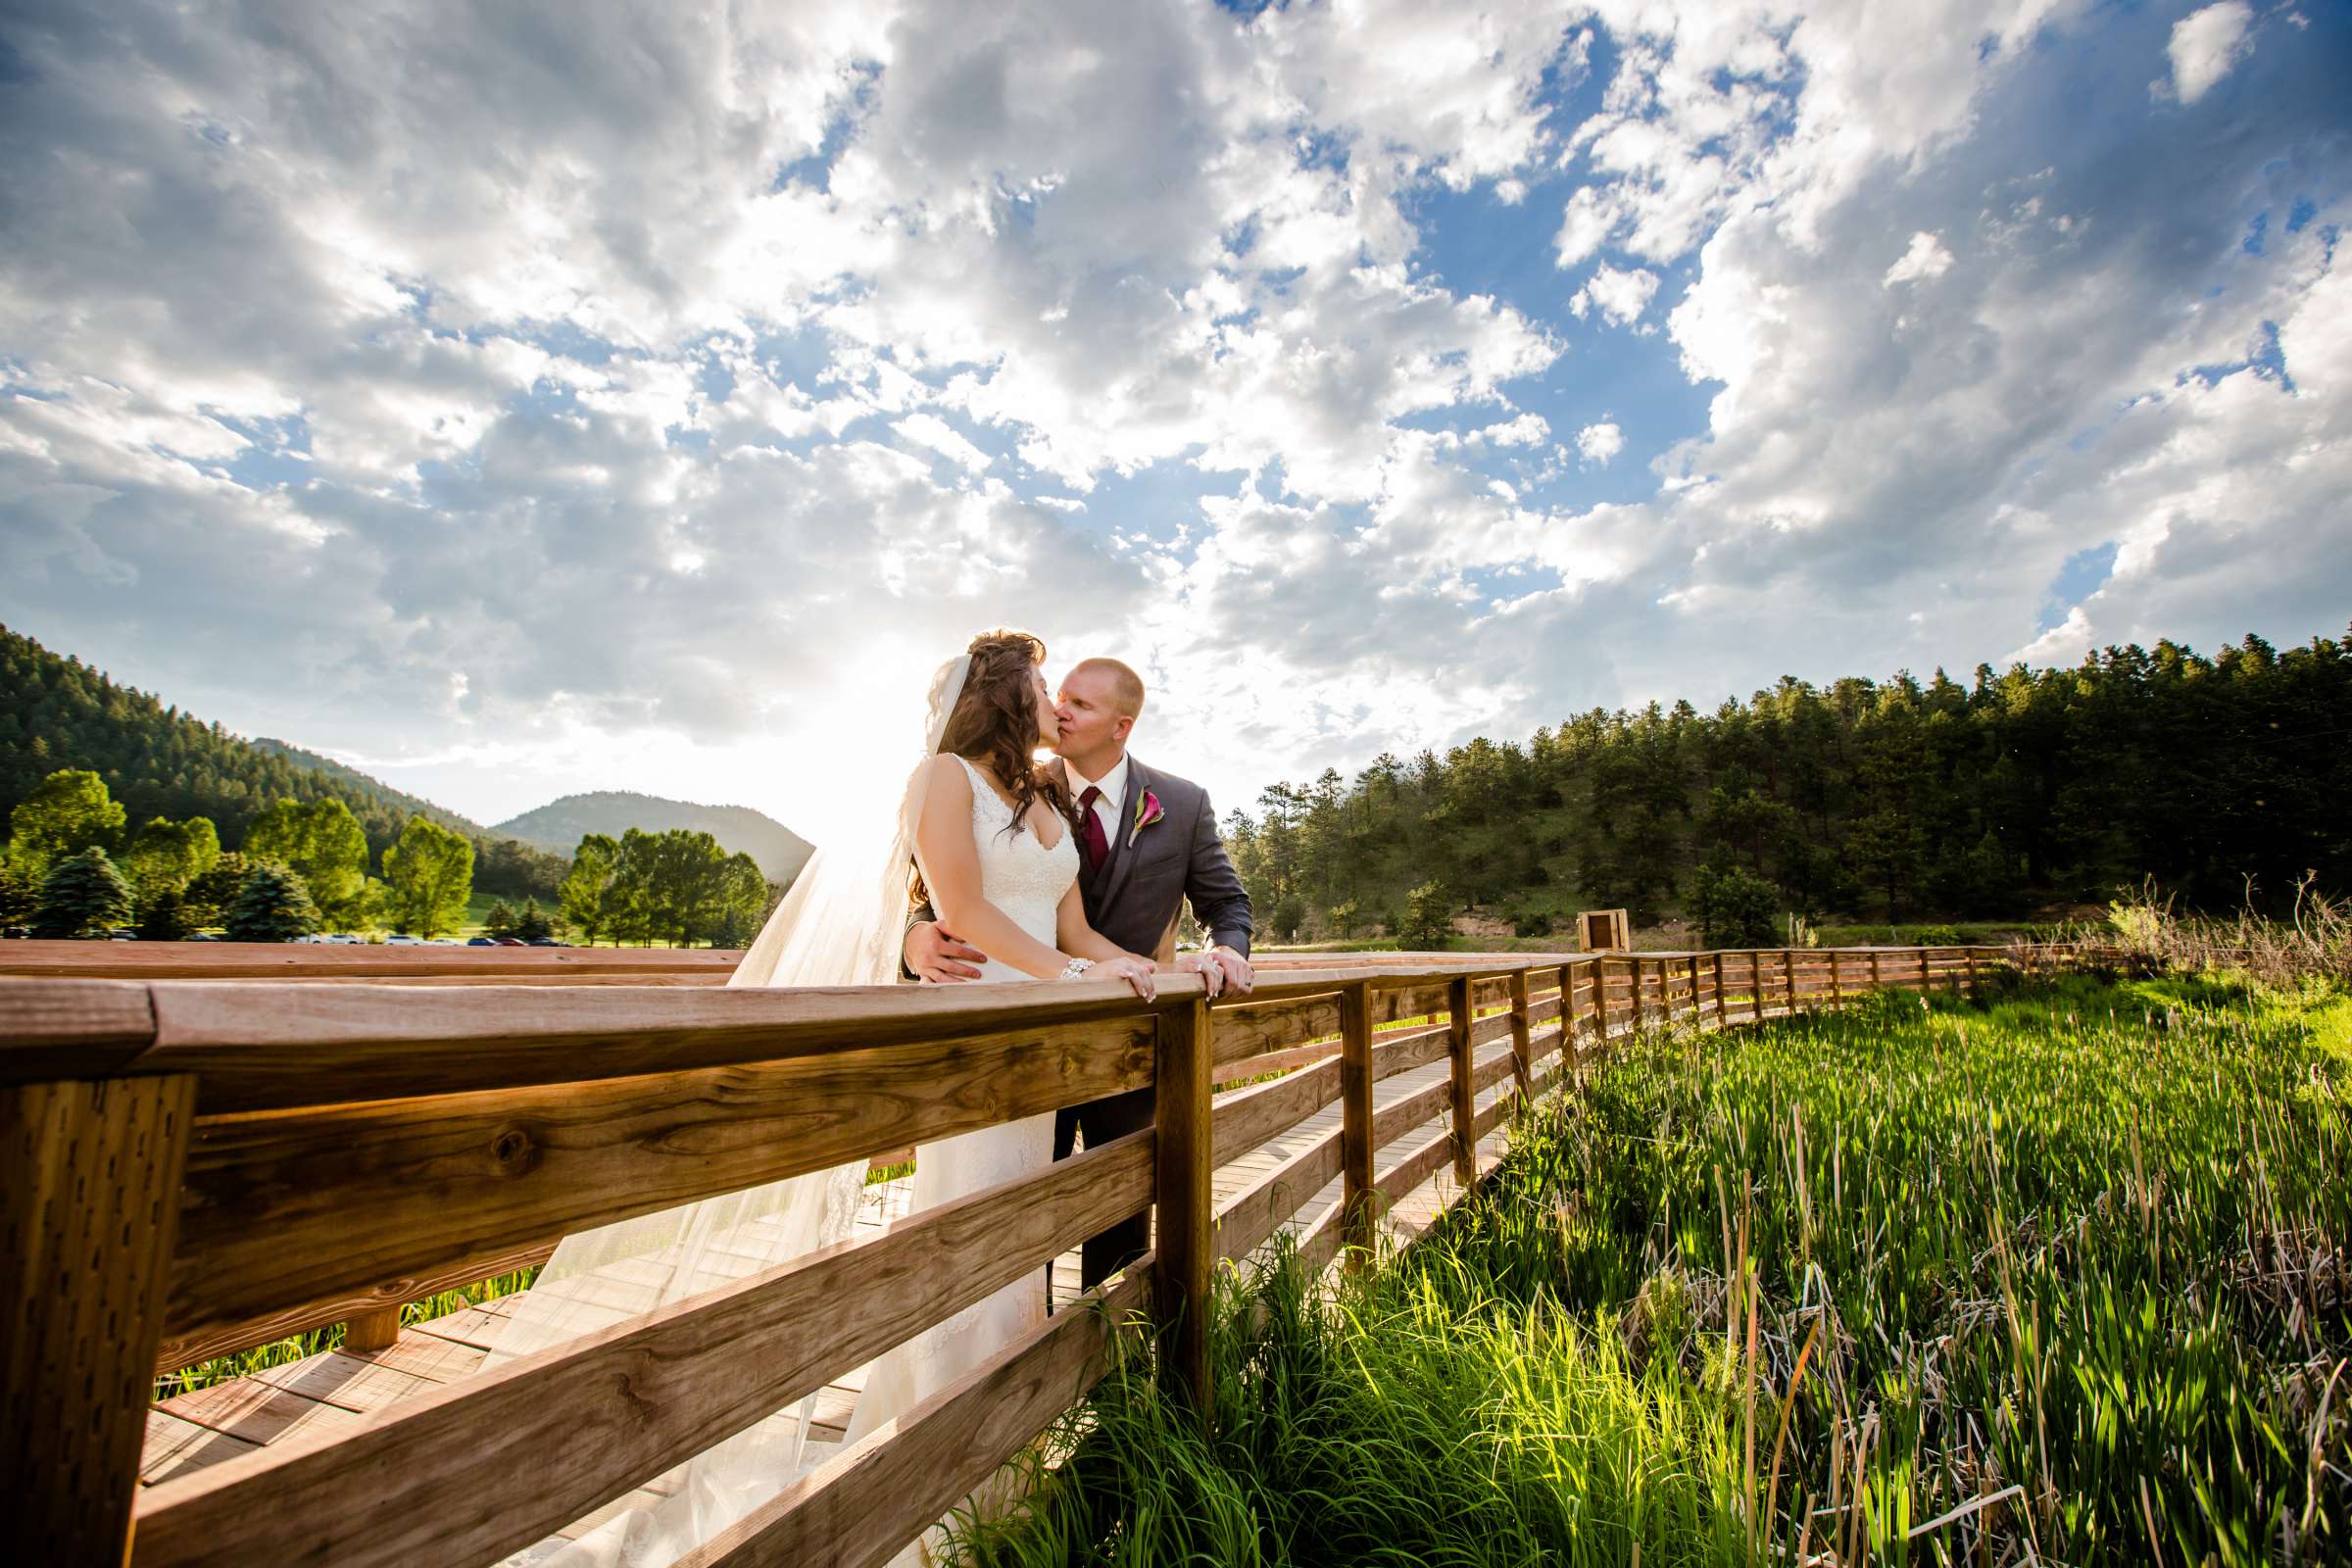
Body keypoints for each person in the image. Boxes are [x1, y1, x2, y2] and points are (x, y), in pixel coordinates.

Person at [484, 629, 1184, 1568]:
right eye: (1039, 682)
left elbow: (1072, 923)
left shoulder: (1045, 790)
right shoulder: (942, 778)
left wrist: (1133, 970)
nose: (1050, 697)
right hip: (975, 1040)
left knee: (1019, 1239)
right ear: (999, 692)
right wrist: (1054, 975)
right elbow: (964, 911)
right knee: (964, 1228)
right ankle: (948, 1466)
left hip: (1043, 1038)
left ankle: (998, 1460)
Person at [904, 653, 1254, 1291]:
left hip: (1129, 1038)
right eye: (1052, 693)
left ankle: (1112, 1367)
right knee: (1004, 1213)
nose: (1060, 708)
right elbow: (946, 898)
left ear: (1121, 726)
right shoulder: (1010, 781)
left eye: (1081, 704)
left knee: (1122, 1209)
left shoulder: (1180, 801)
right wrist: (912, 940)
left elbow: (1225, 904)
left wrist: (1224, 951)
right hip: (1011, 1026)